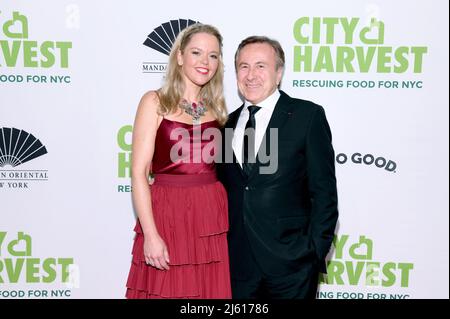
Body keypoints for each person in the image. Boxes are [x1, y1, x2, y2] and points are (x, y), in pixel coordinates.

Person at [217, 36, 338, 299]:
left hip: (292, 268)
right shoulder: (225, 125)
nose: (251, 75)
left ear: (279, 72)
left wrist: (314, 252)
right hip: (237, 269)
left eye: (261, 66)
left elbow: (324, 194)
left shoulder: (307, 116)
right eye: (244, 66)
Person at [125, 23, 231, 299]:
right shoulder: (154, 102)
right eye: (196, 52)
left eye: (213, 55)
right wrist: (150, 234)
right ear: (180, 56)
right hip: (167, 214)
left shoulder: (218, 110)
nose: (205, 62)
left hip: (208, 216)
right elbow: (138, 174)